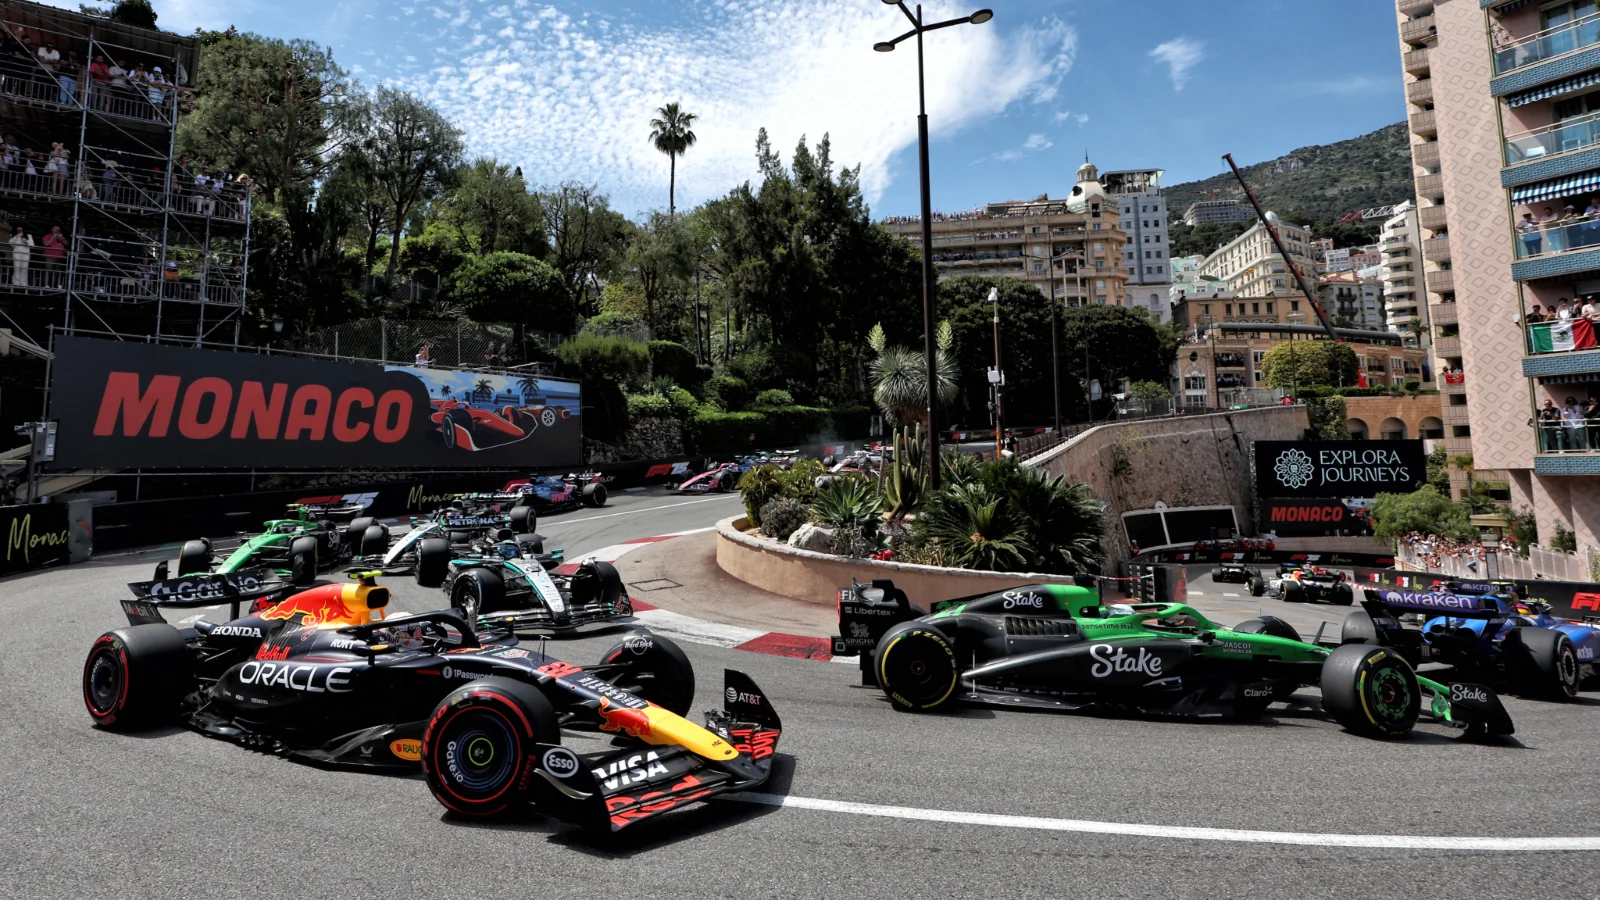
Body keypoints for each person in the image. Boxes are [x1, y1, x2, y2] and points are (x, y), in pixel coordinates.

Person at [39, 224, 64, 289]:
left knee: (58, 271)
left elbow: (67, 244)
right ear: (52, 230)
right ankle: (46, 284)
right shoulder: (47, 236)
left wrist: (62, 238)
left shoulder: (61, 236)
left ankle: (56, 284)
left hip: (59, 257)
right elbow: (46, 244)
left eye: (58, 229)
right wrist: (53, 237)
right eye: (56, 229)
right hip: (50, 256)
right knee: (48, 270)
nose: (57, 230)